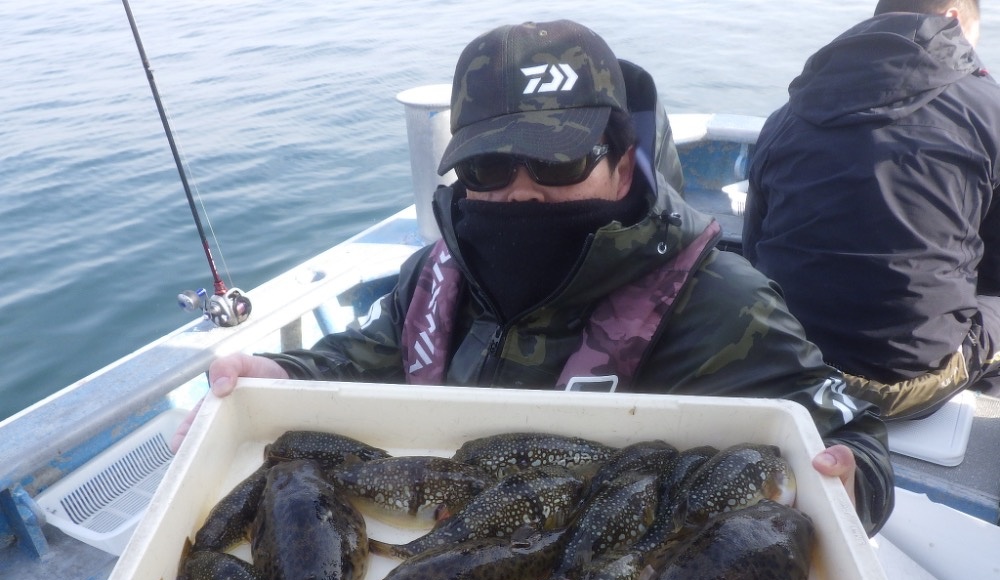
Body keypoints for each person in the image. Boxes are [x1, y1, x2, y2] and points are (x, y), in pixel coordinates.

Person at [173, 20, 894, 535]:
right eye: (489, 168)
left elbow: (853, 437)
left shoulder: (724, 306)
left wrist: (848, 478)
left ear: (621, 166)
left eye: (558, 162)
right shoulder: (430, 277)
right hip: (443, 560)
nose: (522, 193)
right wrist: (284, 375)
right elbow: (360, 359)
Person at [742, 0, 1000, 421]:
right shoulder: (990, 109)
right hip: (905, 387)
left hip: (785, 361)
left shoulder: (786, 115)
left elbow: (754, 250)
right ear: (952, 18)